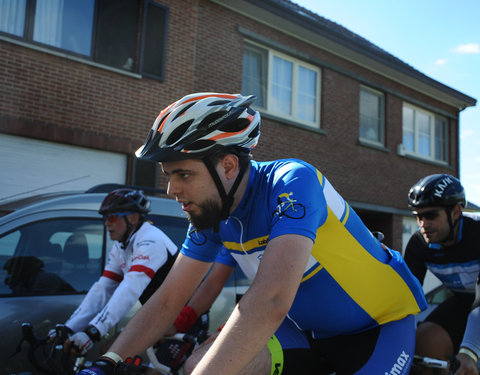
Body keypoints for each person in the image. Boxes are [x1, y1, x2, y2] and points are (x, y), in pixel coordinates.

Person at [78, 92, 427, 375]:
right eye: (169, 175)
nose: (172, 190)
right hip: (303, 332)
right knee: (197, 363)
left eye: (183, 175)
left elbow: (271, 299)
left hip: (377, 328)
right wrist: (106, 363)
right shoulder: (214, 212)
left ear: (228, 166)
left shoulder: (293, 183)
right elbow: (170, 299)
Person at [49, 188, 178, 356]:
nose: (106, 223)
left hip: (182, 319)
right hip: (160, 315)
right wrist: (70, 327)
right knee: (109, 352)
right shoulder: (122, 245)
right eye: (104, 218)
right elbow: (103, 288)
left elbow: (130, 288)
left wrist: (94, 331)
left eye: (111, 217)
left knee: (127, 361)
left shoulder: (151, 240)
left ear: (133, 217)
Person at [404, 174, 480, 375]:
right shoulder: (419, 244)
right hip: (464, 302)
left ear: (456, 212)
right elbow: (404, 298)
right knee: (426, 340)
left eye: (431, 215)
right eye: (418, 216)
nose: (423, 224)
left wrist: (470, 351)